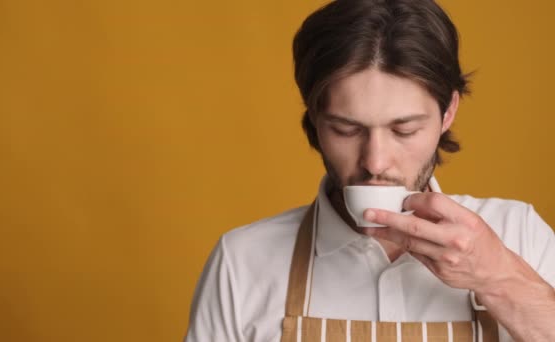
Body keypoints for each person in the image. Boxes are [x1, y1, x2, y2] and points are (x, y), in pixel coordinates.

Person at [184, 0, 555, 341]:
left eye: (404, 130)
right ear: (315, 119)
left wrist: (499, 277)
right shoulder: (243, 260)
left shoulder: (519, 234)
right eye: (347, 129)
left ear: (448, 113)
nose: (375, 162)